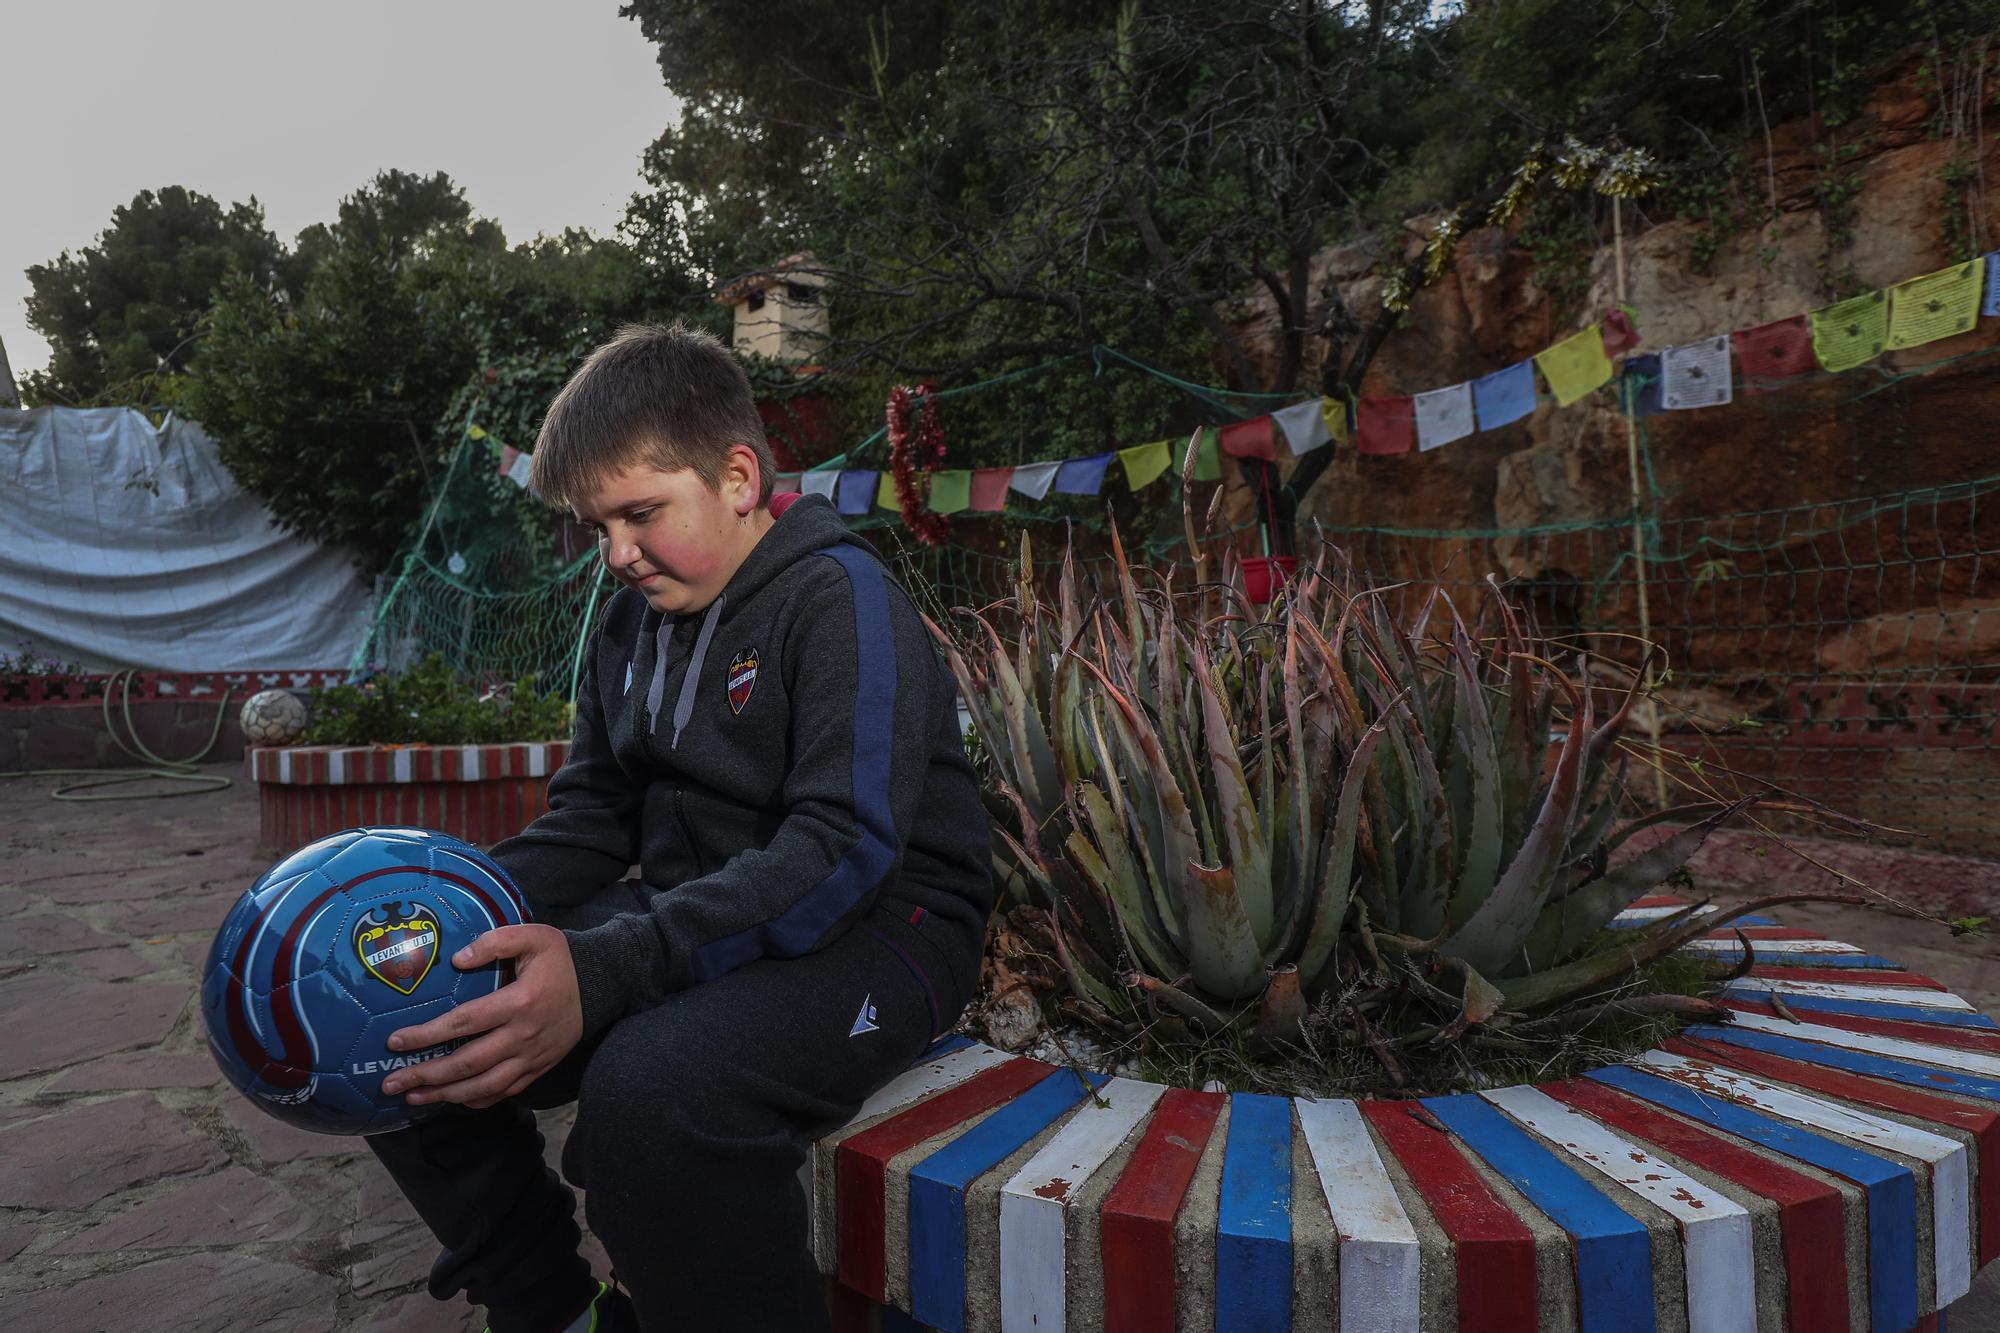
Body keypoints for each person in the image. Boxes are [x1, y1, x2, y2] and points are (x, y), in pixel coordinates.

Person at [368, 323, 997, 1332]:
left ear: (737, 476)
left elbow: (842, 846)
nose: (615, 552)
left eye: (639, 513)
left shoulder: (841, 596)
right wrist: (445, 906)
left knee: (650, 1096)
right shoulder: (629, 624)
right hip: (701, 909)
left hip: (888, 930)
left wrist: (610, 966)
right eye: (597, 525)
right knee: (392, 1029)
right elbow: (590, 813)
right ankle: (553, 1311)